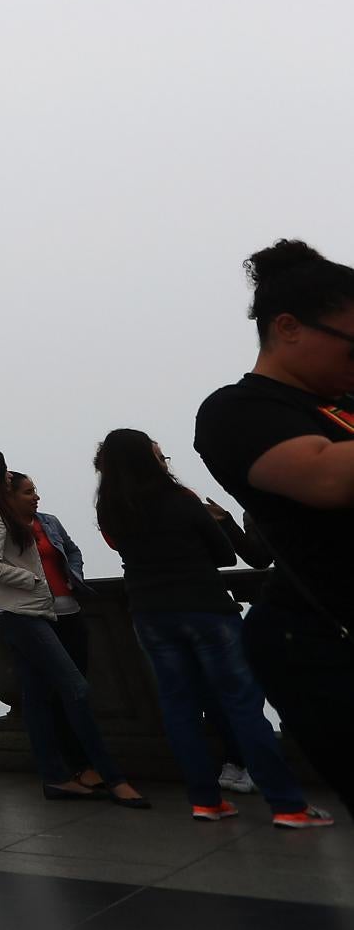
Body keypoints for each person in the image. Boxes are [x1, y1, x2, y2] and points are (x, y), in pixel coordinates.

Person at [94, 428, 331, 826]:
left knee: (180, 709)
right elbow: (223, 554)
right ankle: (288, 805)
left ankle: (206, 801)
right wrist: (218, 522)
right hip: (205, 608)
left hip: (150, 614)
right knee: (242, 705)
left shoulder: (111, 509)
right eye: (157, 453)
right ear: (147, 459)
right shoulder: (180, 500)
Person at [195, 238, 354, 809]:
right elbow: (326, 477)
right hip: (322, 645)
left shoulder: (343, 401)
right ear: (287, 327)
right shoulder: (236, 412)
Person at [0, 451, 147, 807]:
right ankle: (111, 776)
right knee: (75, 688)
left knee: (38, 698)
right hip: (19, 611)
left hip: (27, 610)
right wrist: (33, 580)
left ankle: (56, 777)